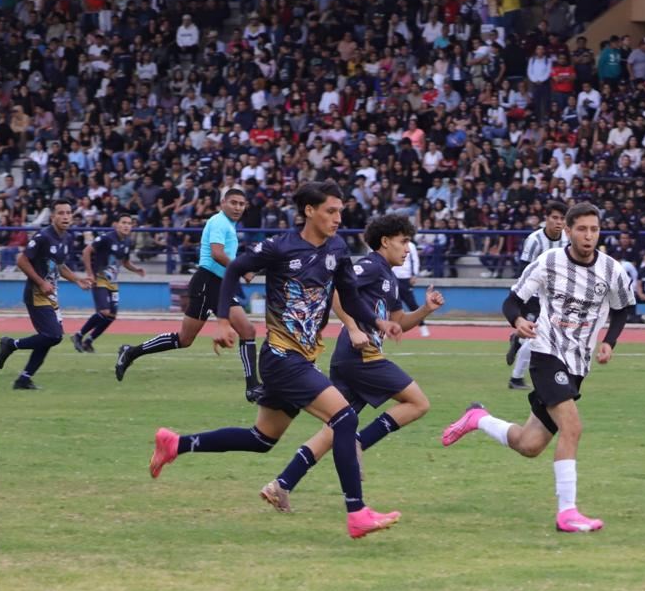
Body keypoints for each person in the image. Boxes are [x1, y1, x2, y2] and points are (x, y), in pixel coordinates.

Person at [148, 181, 403, 539]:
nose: (338, 218)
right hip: (282, 357)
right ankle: (357, 512)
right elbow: (235, 269)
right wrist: (222, 320)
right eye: (331, 210)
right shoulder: (280, 247)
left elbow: (349, 296)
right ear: (309, 211)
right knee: (344, 418)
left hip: (302, 357)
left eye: (340, 211)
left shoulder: (338, 249)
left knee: (262, 438)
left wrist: (377, 321)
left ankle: (175, 444)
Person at [441, 202, 635, 533]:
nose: (589, 236)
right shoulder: (548, 263)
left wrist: (609, 342)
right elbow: (511, 301)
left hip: (577, 363)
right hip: (546, 353)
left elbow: (622, 309)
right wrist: (517, 320)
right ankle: (567, 513)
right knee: (572, 427)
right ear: (569, 231)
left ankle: (479, 418)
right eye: (582, 229)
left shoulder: (612, 270)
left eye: (594, 229)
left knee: (530, 445)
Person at [259, 214, 445, 512]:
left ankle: (281, 485)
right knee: (418, 403)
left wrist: (426, 309)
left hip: (351, 358)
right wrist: (356, 329)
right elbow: (334, 291)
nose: (408, 249)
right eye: (404, 241)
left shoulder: (389, 278)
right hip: (361, 357)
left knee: (335, 428)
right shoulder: (370, 266)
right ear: (385, 242)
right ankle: (360, 441)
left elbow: (397, 322)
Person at [116, 189, 260, 400]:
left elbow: (225, 254)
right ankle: (253, 387)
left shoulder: (229, 225)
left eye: (241, 204)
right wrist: (241, 268)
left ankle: (130, 352)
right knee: (236, 332)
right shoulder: (220, 222)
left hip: (218, 283)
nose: (238, 207)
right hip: (207, 282)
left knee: (194, 338)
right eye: (234, 203)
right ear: (223, 203)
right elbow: (217, 254)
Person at [0, 198, 92, 390]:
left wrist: (77, 280)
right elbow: (21, 261)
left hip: (51, 294)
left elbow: (60, 266)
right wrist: (41, 282)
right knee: (53, 336)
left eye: (68, 213)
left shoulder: (67, 238)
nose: (65, 216)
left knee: (48, 339)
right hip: (36, 293)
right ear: (53, 216)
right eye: (61, 213)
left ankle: (24, 379)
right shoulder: (43, 237)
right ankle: (11, 344)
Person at [506, 200, 568, 390]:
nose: (558, 222)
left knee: (545, 335)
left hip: (555, 297)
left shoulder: (567, 239)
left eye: (562, 219)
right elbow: (524, 270)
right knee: (537, 335)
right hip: (533, 297)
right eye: (554, 218)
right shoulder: (534, 240)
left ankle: (519, 341)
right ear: (546, 219)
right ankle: (516, 378)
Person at [73, 213, 144, 353]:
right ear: (116, 224)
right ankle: (78, 335)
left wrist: (136, 269)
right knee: (104, 311)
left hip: (113, 282)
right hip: (99, 278)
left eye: (129, 223)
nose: (126, 226)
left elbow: (124, 262)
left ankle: (89, 341)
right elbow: (86, 251)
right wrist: (89, 273)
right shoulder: (106, 238)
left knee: (111, 316)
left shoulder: (127, 242)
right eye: (123, 222)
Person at [391, 235, 430, 338]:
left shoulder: (411, 246)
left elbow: (415, 260)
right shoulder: (392, 244)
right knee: (389, 305)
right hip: (392, 277)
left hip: (405, 278)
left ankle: (423, 327)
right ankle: (386, 330)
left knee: (412, 304)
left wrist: (414, 274)